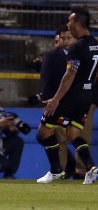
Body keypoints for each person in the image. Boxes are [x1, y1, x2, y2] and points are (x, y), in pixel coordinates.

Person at [37, 7, 98, 184]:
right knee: (74, 134)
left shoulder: (76, 47)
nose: (68, 25)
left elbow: (69, 75)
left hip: (70, 98)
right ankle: (90, 167)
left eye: (70, 21)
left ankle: (56, 170)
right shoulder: (96, 45)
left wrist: (56, 99)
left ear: (78, 23)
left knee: (43, 133)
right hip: (86, 98)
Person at [40, 25, 77, 178]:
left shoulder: (59, 56)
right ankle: (68, 170)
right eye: (62, 38)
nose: (63, 41)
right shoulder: (57, 56)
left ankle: (60, 171)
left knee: (60, 138)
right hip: (63, 102)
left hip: (62, 103)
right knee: (62, 138)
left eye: (67, 38)